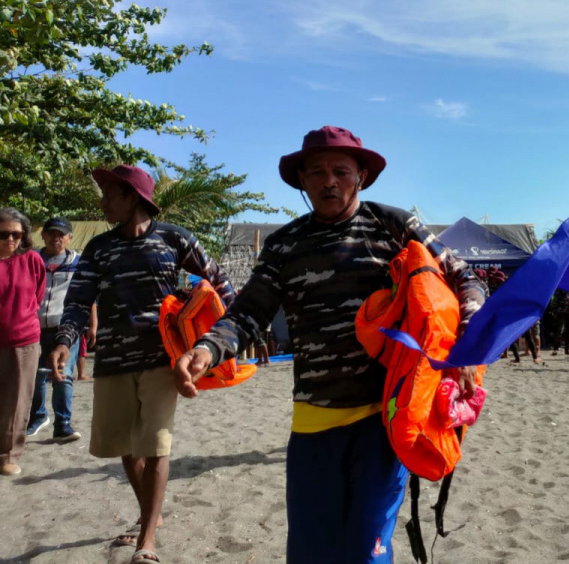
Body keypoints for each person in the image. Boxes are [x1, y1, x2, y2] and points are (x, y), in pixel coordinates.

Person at [172, 126, 486, 563]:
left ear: (361, 176)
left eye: (341, 170)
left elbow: (466, 279)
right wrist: (207, 349)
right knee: (309, 551)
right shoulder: (284, 244)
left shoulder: (394, 224)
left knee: (367, 549)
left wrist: (469, 345)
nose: (328, 181)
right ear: (301, 180)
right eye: (316, 172)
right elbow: (249, 312)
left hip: (385, 416)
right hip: (313, 421)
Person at [49, 165, 234, 561]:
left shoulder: (174, 238)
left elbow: (220, 282)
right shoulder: (99, 248)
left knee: (155, 445)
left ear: (133, 198)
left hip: (161, 359)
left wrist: (223, 337)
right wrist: (66, 340)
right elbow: (79, 300)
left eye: (110, 194)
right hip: (112, 359)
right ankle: (151, 514)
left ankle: (147, 539)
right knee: (125, 446)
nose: (102, 203)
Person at [28, 217, 94, 443]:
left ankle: (63, 425)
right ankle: (37, 417)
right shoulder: (31, 260)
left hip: (66, 326)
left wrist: (92, 324)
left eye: (61, 235)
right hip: (33, 326)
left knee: (63, 375)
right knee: (36, 375)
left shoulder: (78, 263)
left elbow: (88, 294)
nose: (56, 239)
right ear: (43, 235)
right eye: (52, 234)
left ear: (69, 238)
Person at [0, 207, 46, 477]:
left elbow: (36, 297)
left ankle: (9, 454)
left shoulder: (32, 260)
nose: (10, 240)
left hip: (24, 340)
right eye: (3, 234)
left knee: (17, 401)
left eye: (16, 234)